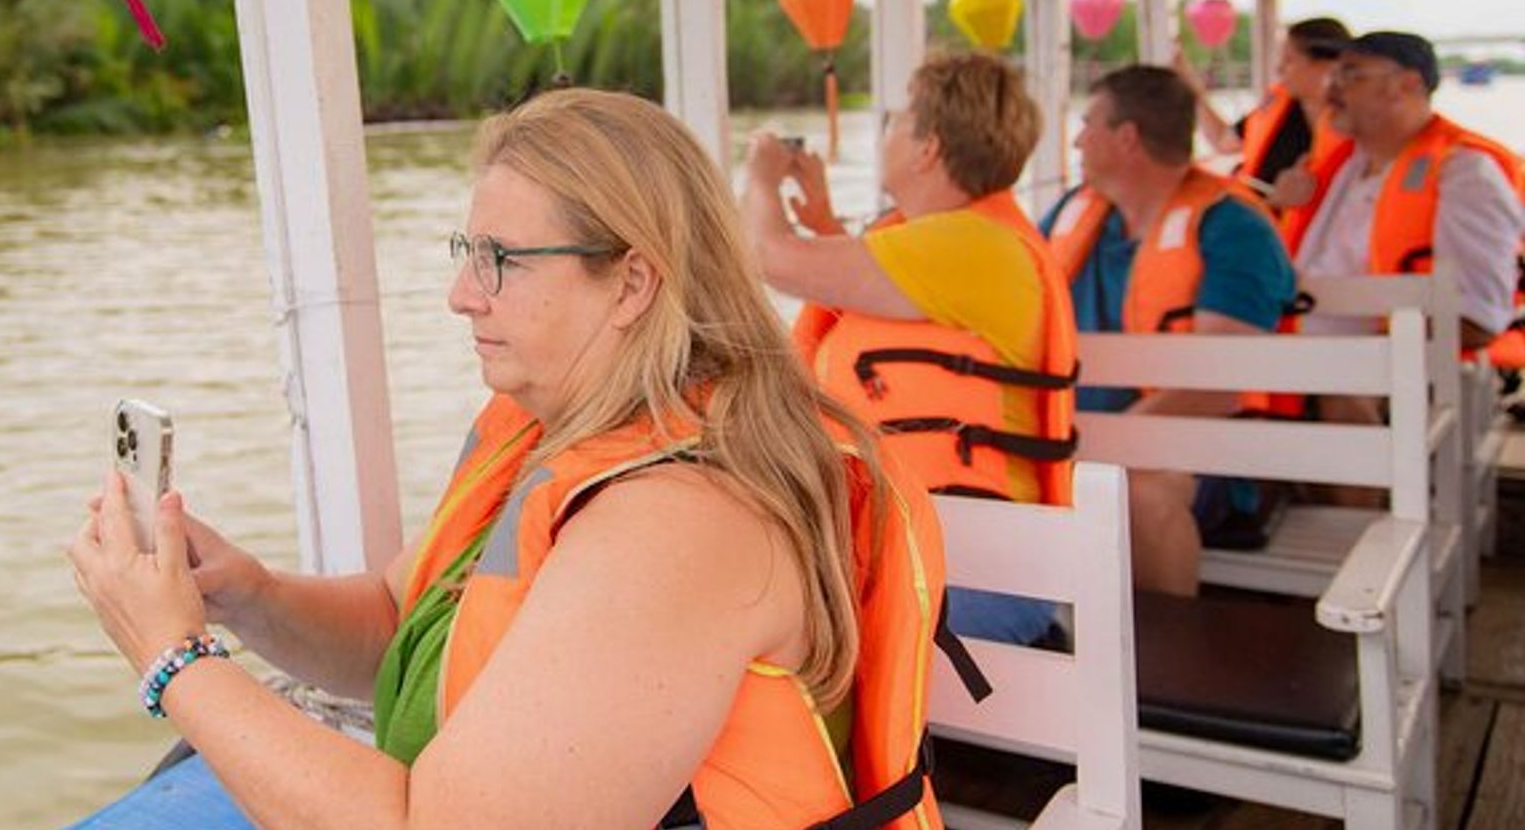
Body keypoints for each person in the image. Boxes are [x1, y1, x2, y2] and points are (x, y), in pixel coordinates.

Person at [69, 89, 952, 830]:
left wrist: (171, 657)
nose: (462, 295)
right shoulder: (551, 426)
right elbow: (395, 626)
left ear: (633, 283)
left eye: (501, 261)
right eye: (467, 253)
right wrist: (244, 594)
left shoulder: (681, 522)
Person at [740, 53, 1077, 645]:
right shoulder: (955, 244)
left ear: (928, 149)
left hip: (970, 569)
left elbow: (769, 258)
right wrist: (823, 223)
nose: (884, 133)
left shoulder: (971, 246)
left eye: (895, 121)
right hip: (937, 545)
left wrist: (761, 174)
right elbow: (889, 314)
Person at [1040, 66, 1296, 596]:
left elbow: (1217, 387)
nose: (1077, 139)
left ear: (1126, 137)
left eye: (1088, 123)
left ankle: (1156, 670)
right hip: (1072, 442)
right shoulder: (1072, 212)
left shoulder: (1234, 229)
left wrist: (1097, 447)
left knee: (1141, 495)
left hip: (1201, 455)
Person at [1283, 32, 1524, 353]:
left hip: (1400, 388)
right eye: (1333, 75)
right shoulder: (1338, 168)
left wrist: (1347, 362)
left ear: (1408, 85)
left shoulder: (1465, 175)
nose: (1331, 89)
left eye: (1350, 75)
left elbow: (1476, 320)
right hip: (1295, 368)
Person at [1179, 17, 1352, 203]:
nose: (1279, 69)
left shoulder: (1357, 129)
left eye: (1289, 60)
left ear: (1325, 67)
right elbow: (1223, 141)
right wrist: (1193, 89)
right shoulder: (1277, 106)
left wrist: (1276, 201)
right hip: (1255, 214)